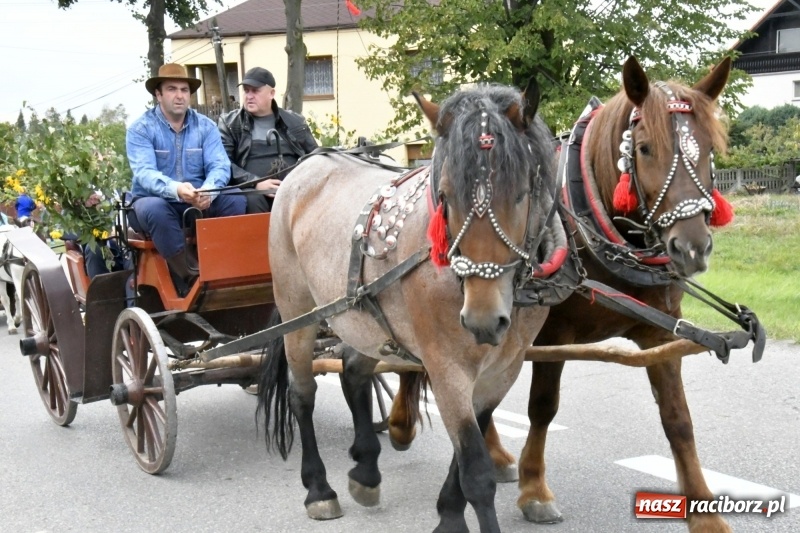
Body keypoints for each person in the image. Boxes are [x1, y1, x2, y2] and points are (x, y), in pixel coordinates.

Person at [126, 63, 245, 293]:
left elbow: (220, 165)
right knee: (155, 209)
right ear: (158, 94)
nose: (179, 96)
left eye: (184, 90)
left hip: (198, 199)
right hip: (155, 201)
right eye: (171, 89)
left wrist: (209, 191)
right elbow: (145, 173)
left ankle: (222, 268)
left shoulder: (206, 127)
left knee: (236, 198)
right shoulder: (140, 129)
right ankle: (192, 277)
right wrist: (177, 189)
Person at [218, 67, 318, 213]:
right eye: (246, 91)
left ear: (271, 93)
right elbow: (224, 163)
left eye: (255, 91)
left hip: (293, 188)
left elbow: (315, 156)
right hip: (254, 193)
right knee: (253, 199)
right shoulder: (231, 123)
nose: (249, 96)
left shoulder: (295, 122)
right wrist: (255, 183)